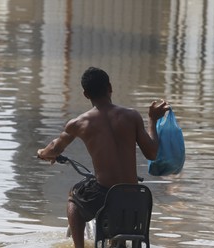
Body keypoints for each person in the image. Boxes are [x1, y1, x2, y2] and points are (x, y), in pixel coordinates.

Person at [37, 67, 169, 248]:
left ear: (85, 94)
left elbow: (54, 148)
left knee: (73, 199)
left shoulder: (79, 123)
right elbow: (152, 153)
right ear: (110, 88)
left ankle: (79, 246)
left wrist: (42, 154)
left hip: (105, 196)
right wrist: (152, 119)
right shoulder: (132, 116)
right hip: (137, 198)